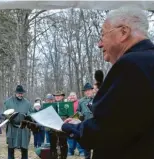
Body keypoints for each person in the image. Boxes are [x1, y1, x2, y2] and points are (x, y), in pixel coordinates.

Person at [62, 6, 154, 159]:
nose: (99, 44)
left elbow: (109, 129)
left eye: (103, 35)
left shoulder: (131, 65)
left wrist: (75, 128)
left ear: (123, 32)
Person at [3, 85, 35, 159]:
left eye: (21, 93)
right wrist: (9, 117)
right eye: (19, 93)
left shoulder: (27, 103)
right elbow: (4, 114)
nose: (20, 95)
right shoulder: (8, 102)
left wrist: (29, 116)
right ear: (15, 93)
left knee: (24, 148)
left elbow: (32, 113)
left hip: (24, 128)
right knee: (11, 147)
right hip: (12, 127)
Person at [49, 91, 68, 159]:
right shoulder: (50, 105)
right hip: (53, 128)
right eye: (56, 96)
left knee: (63, 144)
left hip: (62, 128)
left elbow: (69, 115)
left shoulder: (67, 105)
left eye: (59, 95)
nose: (57, 97)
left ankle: (63, 157)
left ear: (62, 96)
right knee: (53, 145)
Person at [66, 92, 84, 157]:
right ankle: (70, 151)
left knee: (79, 136)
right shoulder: (66, 103)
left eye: (73, 95)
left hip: (78, 122)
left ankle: (81, 151)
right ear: (69, 97)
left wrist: (75, 119)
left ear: (76, 96)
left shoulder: (80, 102)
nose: (72, 97)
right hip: (69, 123)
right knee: (70, 137)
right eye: (71, 96)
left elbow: (81, 112)